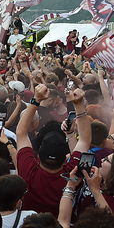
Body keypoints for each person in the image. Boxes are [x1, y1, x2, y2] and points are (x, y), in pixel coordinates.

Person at [15, 85, 90, 217]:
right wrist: (79, 105)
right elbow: (84, 141)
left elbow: (21, 132)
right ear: (66, 159)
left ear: (38, 156)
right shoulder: (72, 174)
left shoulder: (28, 170)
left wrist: (36, 100)